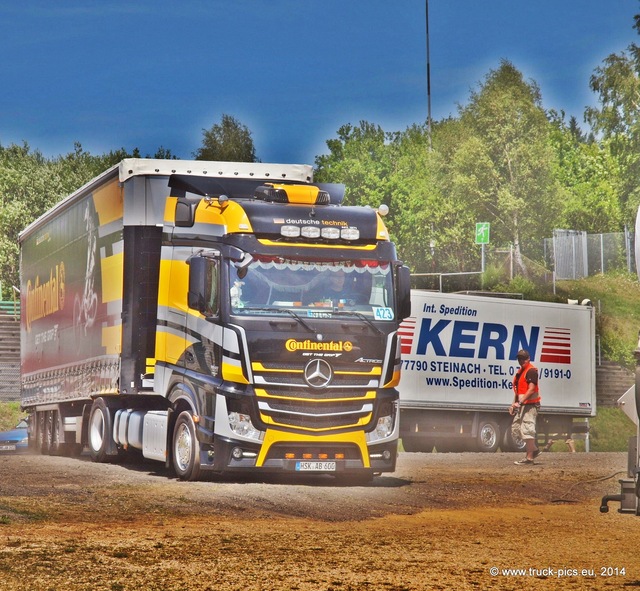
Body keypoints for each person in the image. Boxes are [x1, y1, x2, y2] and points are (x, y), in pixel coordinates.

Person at [510, 349, 542, 465]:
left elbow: (531, 389)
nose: (521, 360)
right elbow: (519, 392)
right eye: (519, 358)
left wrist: (520, 402)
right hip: (523, 405)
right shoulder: (521, 372)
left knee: (528, 430)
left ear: (528, 358)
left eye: (523, 358)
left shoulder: (531, 371)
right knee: (516, 429)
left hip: (530, 405)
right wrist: (513, 404)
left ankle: (529, 458)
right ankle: (535, 450)